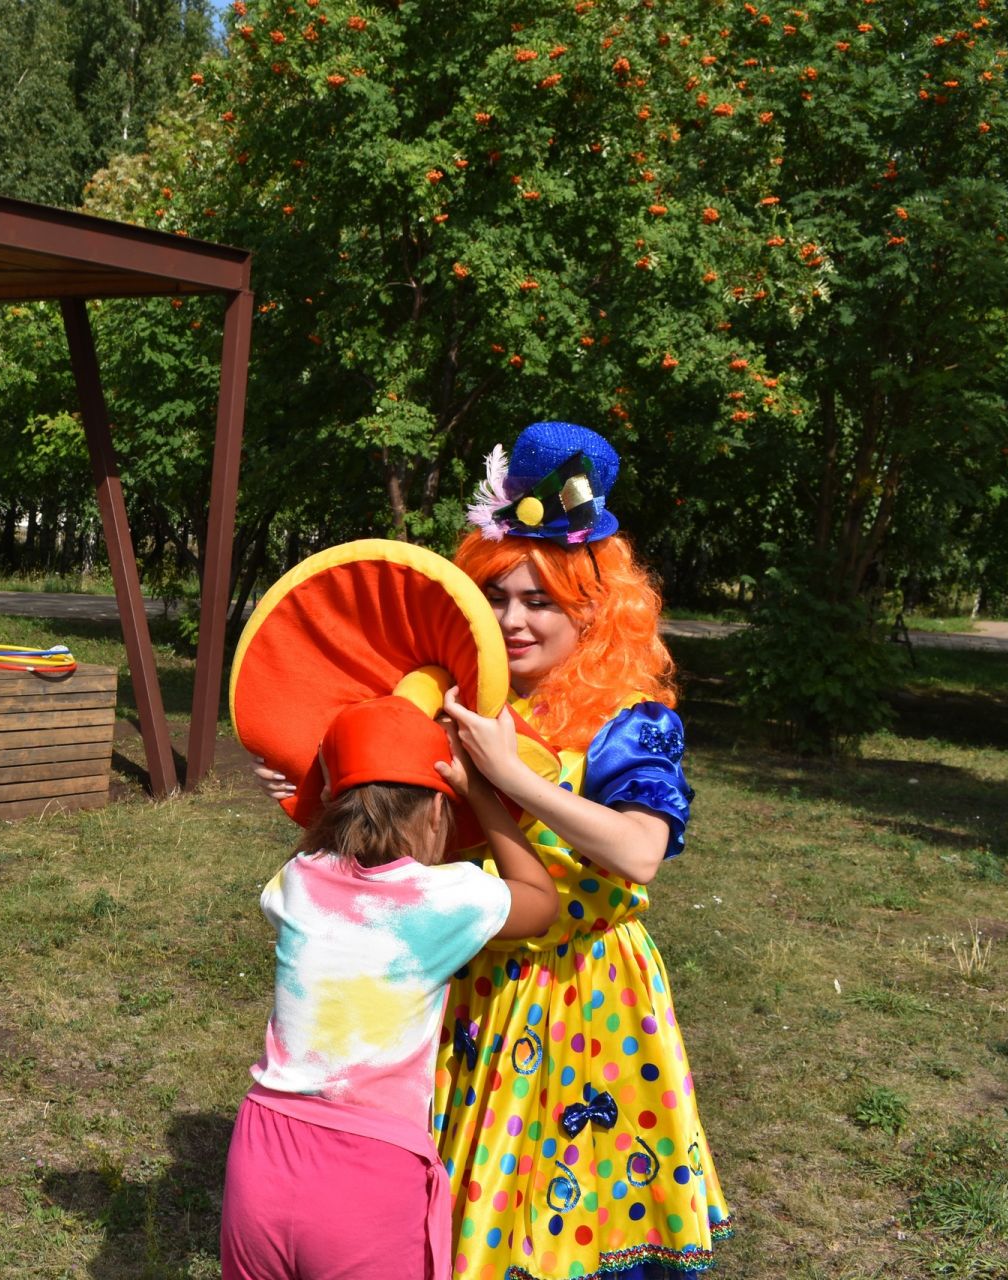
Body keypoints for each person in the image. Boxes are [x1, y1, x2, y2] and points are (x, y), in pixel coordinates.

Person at [257, 422, 731, 1279]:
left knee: (570, 1205)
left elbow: (640, 853)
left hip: (586, 1002)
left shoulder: (631, 721)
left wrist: (517, 778)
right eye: (498, 597)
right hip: (473, 985)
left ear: (593, 610)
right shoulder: (465, 698)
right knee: (470, 1198)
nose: (514, 622)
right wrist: (307, 792)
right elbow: (385, 835)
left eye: (541, 601)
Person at [221, 694, 559, 1280]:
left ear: (333, 800)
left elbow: (326, 847)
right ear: (435, 811)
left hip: (263, 1149)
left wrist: (316, 796)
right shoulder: (448, 898)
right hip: (369, 1167)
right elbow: (541, 902)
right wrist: (480, 789)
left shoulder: (294, 883)